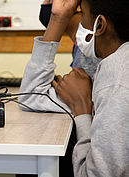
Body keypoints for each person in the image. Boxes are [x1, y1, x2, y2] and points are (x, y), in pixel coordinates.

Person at [19, 0, 129, 176]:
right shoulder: (118, 61)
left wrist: (82, 109)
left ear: (99, 25)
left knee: (32, 160)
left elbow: (93, 174)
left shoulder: (115, 80)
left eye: (84, 16)